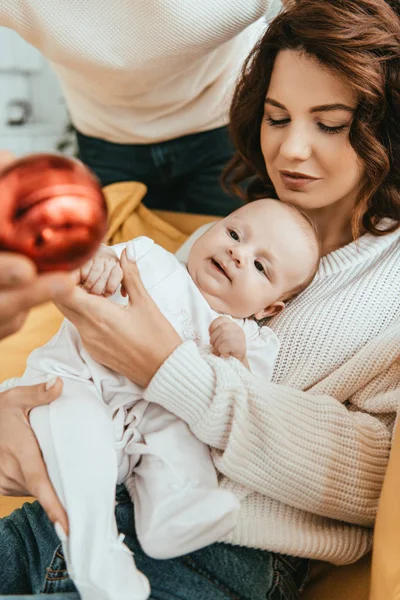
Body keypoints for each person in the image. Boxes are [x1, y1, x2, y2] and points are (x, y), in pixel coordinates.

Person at [0, 0, 399, 598]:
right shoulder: (230, 233)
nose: (290, 150)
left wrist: (172, 371)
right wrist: (23, 411)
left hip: (213, 557)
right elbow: (95, 355)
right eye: (276, 117)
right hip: (65, 517)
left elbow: (377, 476)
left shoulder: (388, 284)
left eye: (330, 123)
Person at [2, 198, 320, 600]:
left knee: (179, 440)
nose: (237, 254)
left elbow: (243, 399)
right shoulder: (150, 260)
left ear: (269, 308)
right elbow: (92, 265)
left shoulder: (253, 339)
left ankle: (172, 513)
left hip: (146, 425)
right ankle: (93, 549)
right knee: (80, 430)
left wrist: (236, 356)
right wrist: (99, 261)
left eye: (260, 266)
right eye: (234, 234)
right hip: (74, 385)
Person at [0, 1, 283, 216]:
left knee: (234, 275)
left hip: (224, 124)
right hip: (106, 140)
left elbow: (312, 23)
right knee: (118, 277)